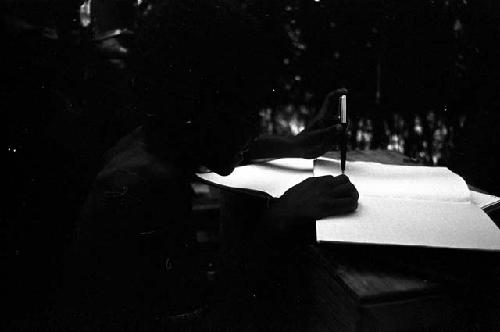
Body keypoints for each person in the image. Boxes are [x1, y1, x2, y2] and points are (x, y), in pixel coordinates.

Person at [60, 1, 359, 330]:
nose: (255, 126)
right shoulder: (144, 193)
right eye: (248, 110)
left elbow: (227, 145)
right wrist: (276, 222)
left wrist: (296, 145)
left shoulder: (149, 145)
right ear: (204, 108)